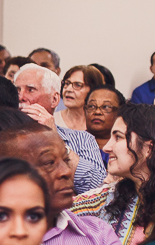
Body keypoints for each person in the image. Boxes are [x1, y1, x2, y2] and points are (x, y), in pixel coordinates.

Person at [0, 123, 129, 245]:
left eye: (66, 160)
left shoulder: (98, 236)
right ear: (5, 175)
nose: (66, 172)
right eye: (49, 163)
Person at [72, 104, 155, 245]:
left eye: (118, 137)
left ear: (149, 148)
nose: (106, 148)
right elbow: (56, 215)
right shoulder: (110, 198)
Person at [14, 63, 108, 193]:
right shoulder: (0, 133)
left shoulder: (82, 139)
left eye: (30, 90)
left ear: (54, 99)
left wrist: (54, 138)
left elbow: (99, 188)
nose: (20, 97)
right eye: (17, 90)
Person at [56, 64, 105, 131]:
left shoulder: (100, 124)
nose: (68, 89)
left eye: (78, 85)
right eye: (67, 83)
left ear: (93, 90)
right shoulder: (52, 120)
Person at [84, 85, 124, 159]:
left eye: (106, 107)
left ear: (120, 112)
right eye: (92, 106)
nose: (97, 112)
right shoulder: (72, 145)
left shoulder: (126, 149)